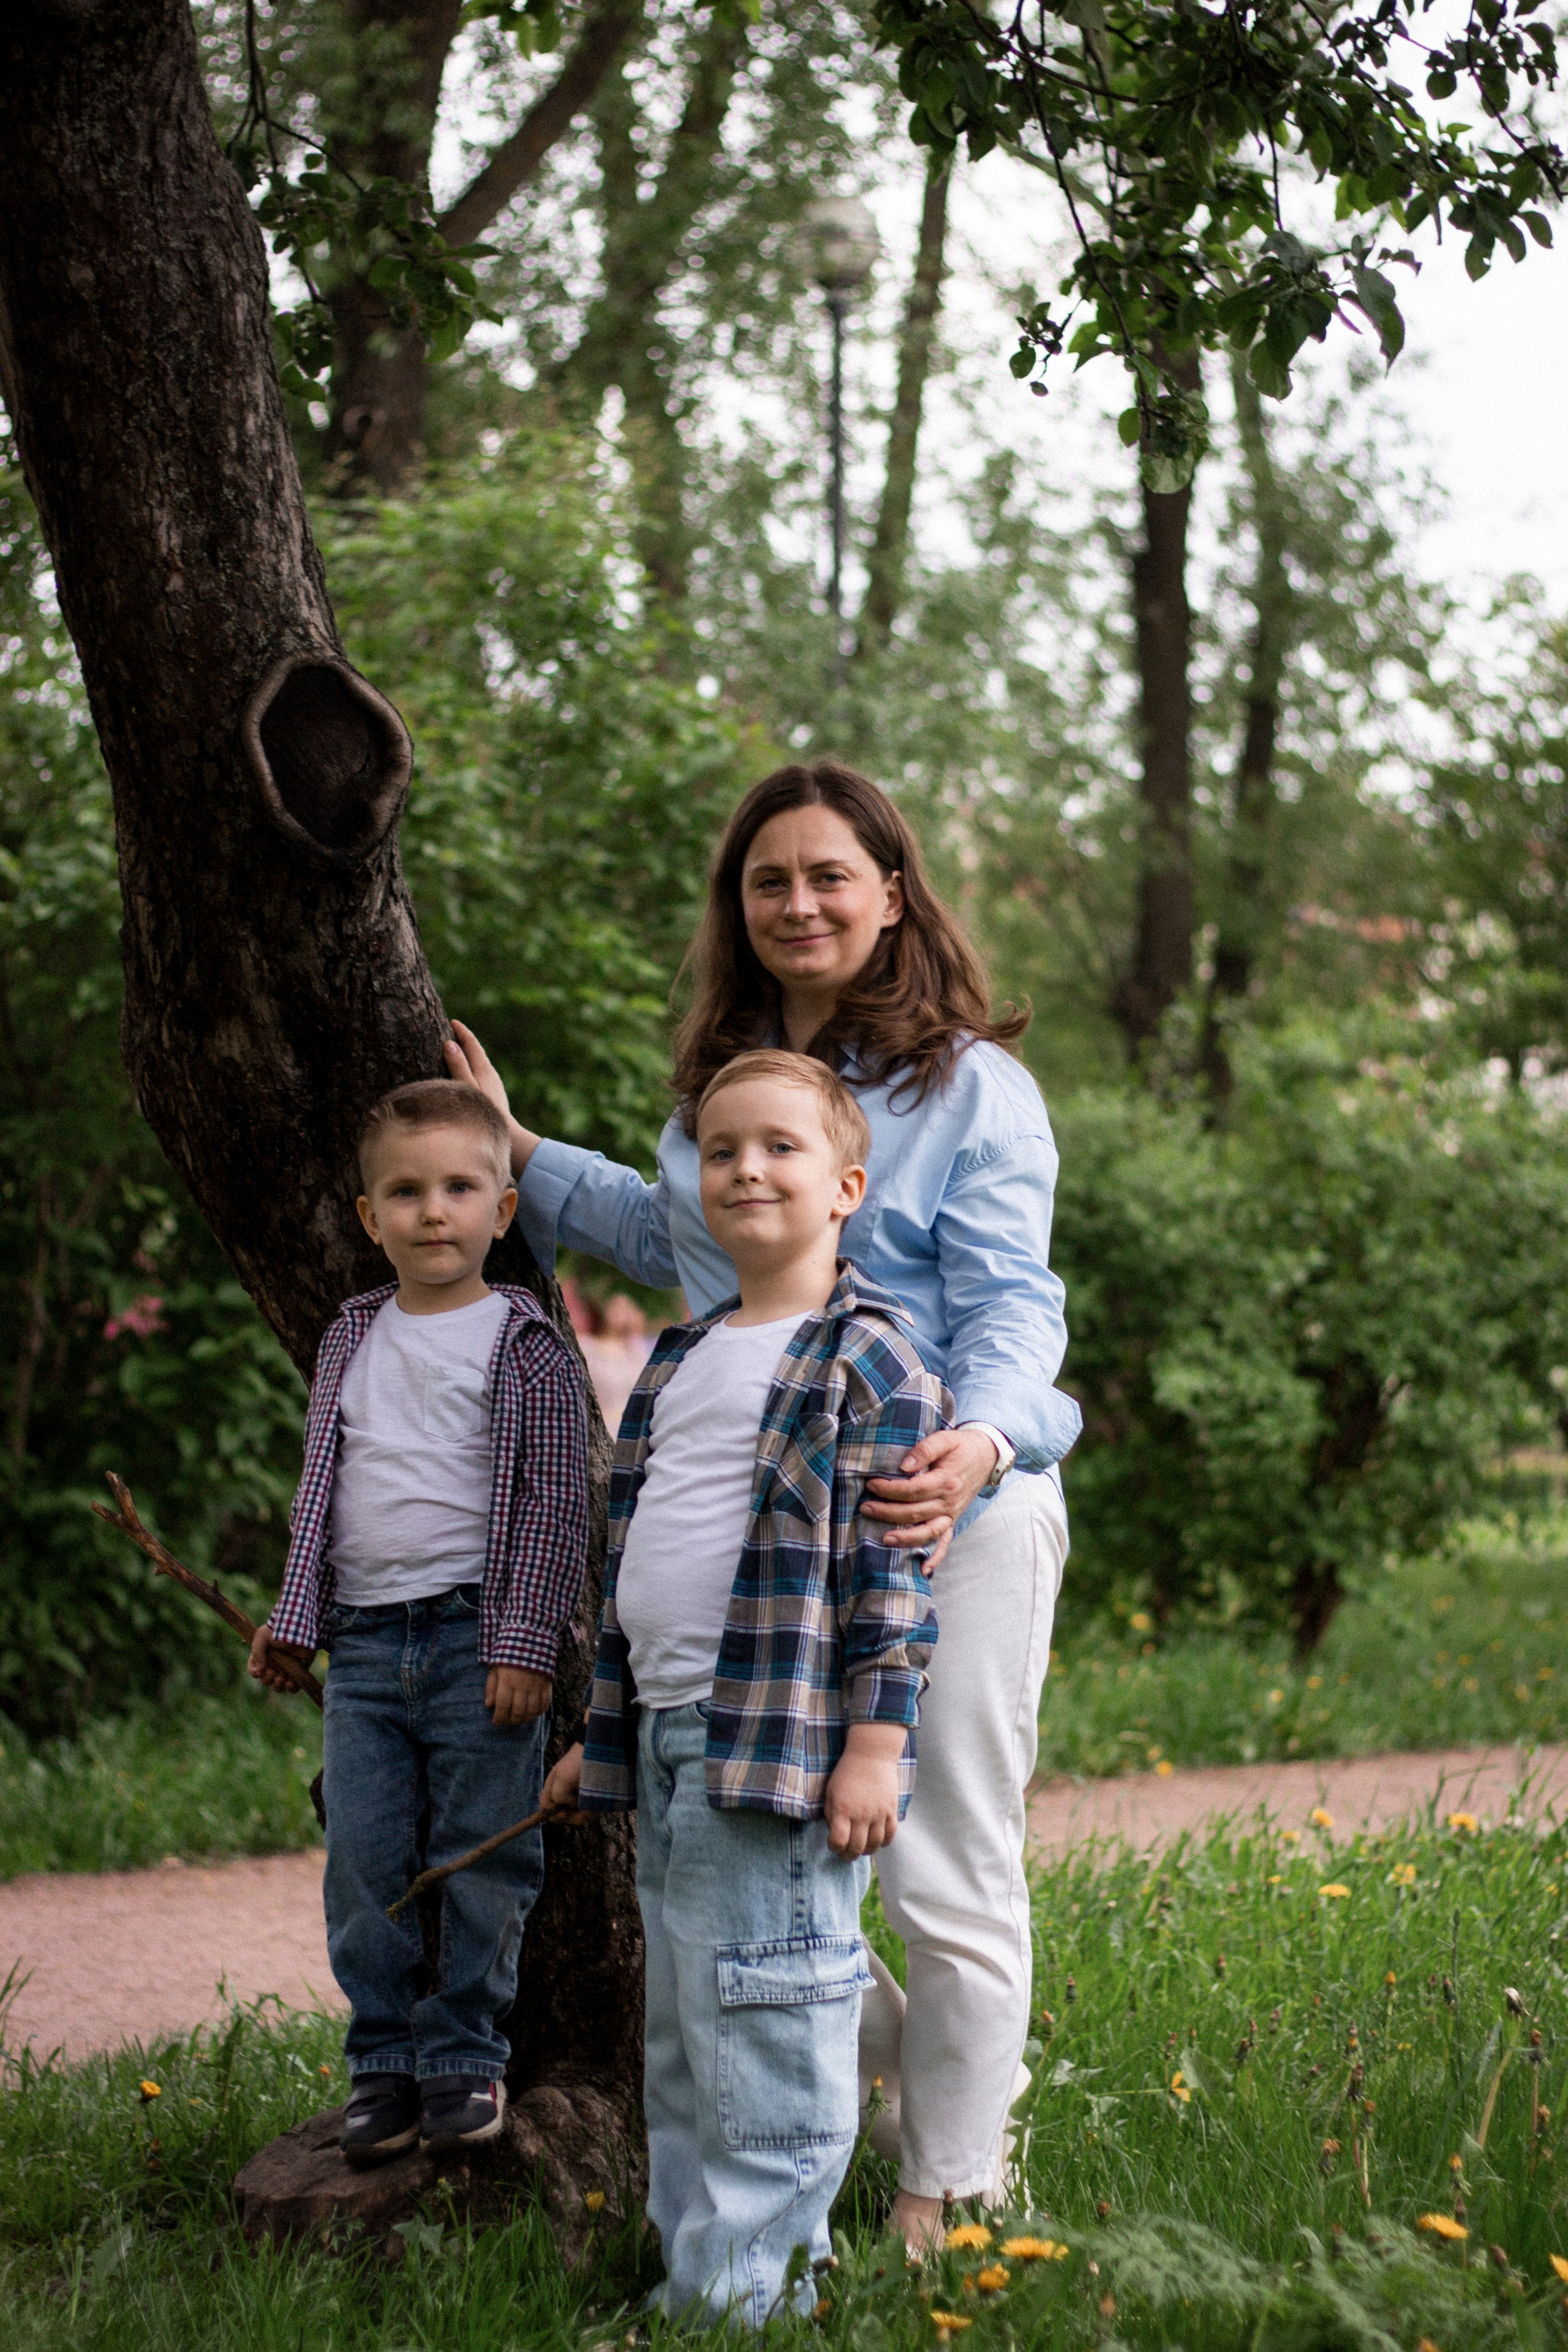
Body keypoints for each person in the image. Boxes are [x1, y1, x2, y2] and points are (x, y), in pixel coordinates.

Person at [448, 757, 1079, 2251]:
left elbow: (1010, 1303)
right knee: (751, 1854)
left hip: (939, 1512)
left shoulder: (970, 1089)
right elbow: (670, 1232)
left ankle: (948, 2194)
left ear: (890, 896)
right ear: (737, 907)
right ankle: (894, 2085)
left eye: (827, 876)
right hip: (770, 1541)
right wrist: (516, 1153)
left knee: (940, 1866)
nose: (798, 903)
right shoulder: (717, 1105)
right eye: (767, 880)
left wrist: (981, 1442)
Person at [543, 1050, 949, 2327]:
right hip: (667, 1739)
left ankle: (752, 2302)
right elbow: (640, 1564)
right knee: (682, 2031)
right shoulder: (682, 1354)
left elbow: (892, 1580)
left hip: (777, 1748)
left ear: (845, 1187)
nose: (745, 1170)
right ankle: (699, 2280)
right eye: (721, 1151)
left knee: (765, 2023)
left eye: (779, 1147)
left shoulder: (872, 1359)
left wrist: (876, 1746)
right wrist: (602, 1737)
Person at [248, 1081, 589, 2165]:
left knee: (481, 1860)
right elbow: (321, 1491)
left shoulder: (525, 1343)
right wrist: (295, 1617)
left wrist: (525, 1645)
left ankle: (463, 2053)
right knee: (365, 1859)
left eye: (458, 1189)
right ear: (369, 1217)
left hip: (476, 1641)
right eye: (405, 1192)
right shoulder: (352, 1336)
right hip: (363, 1645)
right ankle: (383, 2059)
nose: (432, 1211)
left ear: (503, 1209)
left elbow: (553, 1505)